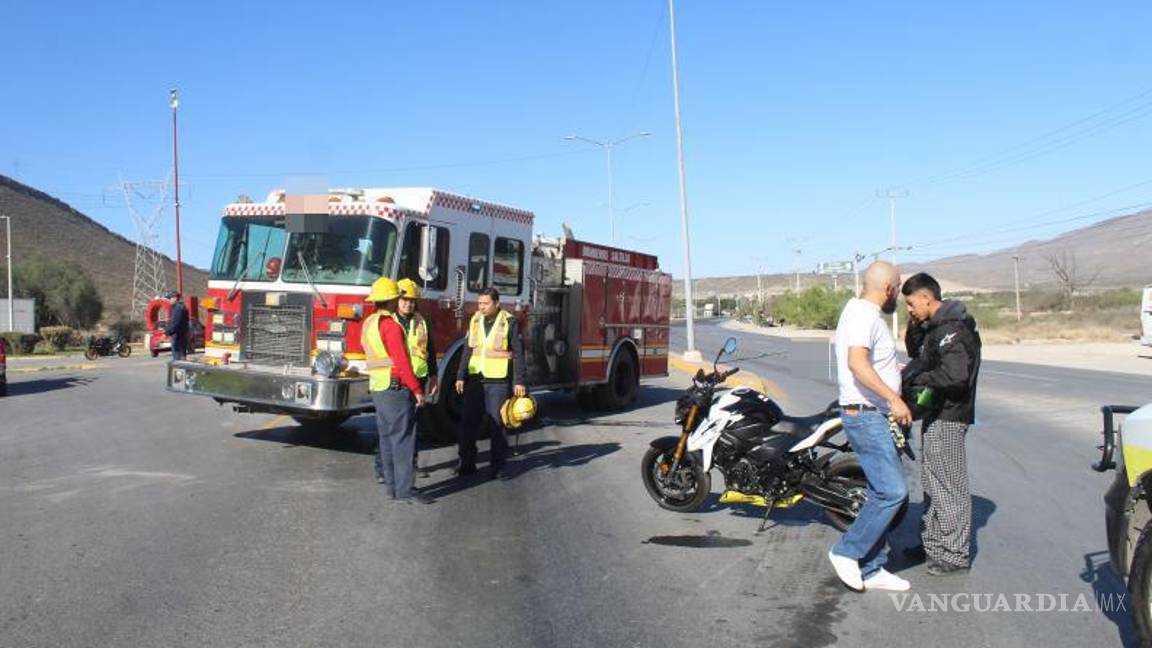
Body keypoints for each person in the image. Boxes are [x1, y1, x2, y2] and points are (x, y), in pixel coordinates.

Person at [828, 261, 913, 593]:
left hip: (870, 413)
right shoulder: (865, 315)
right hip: (867, 415)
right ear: (889, 288)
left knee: (880, 490)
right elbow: (857, 363)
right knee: (892, 492)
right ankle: (846, 551)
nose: (899, 294)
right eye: (899, 287)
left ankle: (872, 567)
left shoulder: (859, 312)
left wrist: (894, 369)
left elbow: (868, 362)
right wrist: (894, 398)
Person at [901, 272, 981, 576]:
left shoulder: (953, 330)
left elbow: (956, 375)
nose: (909, 309)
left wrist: (918, 378)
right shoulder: (935, 328)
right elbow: (915, 352)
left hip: (950, 415)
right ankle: (933, 545)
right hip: (936, 413)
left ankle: (955, 553)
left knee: (949, 486)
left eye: (911, 304)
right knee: (934, 484)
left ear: (926, 297)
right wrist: (915, 323)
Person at [362, 277, 433, 505]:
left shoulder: (369, 323)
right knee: (403, 440)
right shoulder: (391, 326)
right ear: (392, 300)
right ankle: (405, 489)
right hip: (396, 388)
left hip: (378, 388)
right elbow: (402, 362)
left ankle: (392, 487)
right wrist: (416, 389)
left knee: (386, 438)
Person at [454, 287, 527, 480]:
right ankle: (466, 464)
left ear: (496, 303)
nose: (482, 307)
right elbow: (467, 350)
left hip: (498, 382)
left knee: (497, 426)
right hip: (475, 379)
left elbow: (518, 353)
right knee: (468, 424)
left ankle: (498, 467)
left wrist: (519, 381)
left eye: (486, 303)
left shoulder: (509, 321)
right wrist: (460, 375)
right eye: (480, 303)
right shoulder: (475, 320)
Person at [394, 278, 438, 475]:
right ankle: (383, 467)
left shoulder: (421, 321)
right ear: (397, 300)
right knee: (393, 426)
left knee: (413, 425)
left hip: (418, 379)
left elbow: (429, 349)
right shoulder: (388, 321)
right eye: (404, 300)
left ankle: (411, 464)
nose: (408, 304)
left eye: (412, 300)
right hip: (395, 380)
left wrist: (434, 376)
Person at [163, 291, 189, 361]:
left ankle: (180, 370)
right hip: (180, 336)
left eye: (170, 298)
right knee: (181, 359)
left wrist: (167, 333)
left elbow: (175, 323)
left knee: (178, 360)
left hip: (178, 337)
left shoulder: (178, 308)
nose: (169, 301)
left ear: (174, 298)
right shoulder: (177, 307)